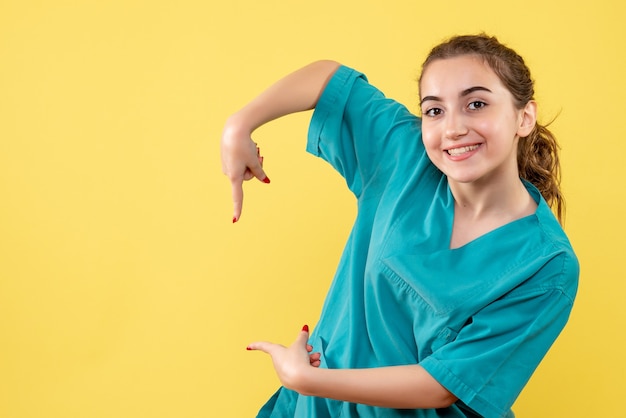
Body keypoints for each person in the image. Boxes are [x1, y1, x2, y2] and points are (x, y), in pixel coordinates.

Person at [220, 34, 579, 418]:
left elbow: (442, 384)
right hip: (311, 408)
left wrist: (307, 379)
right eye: (434, 111)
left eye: (476, 104)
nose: (453, 128)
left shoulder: (546, 265)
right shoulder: (406, 157)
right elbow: (331, 80)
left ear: (524, 117)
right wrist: (238, 126)